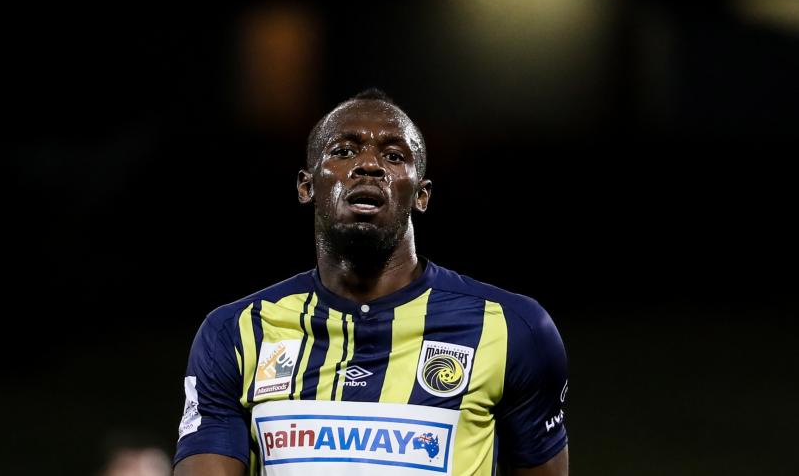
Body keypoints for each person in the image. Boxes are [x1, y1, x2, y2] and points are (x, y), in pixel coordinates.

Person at [173, 89, 569, 476]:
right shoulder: (238, 333)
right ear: (307, 186)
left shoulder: (511, 329)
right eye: (344, 151)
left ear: (422, 195)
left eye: (394, 156)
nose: (369, 165)